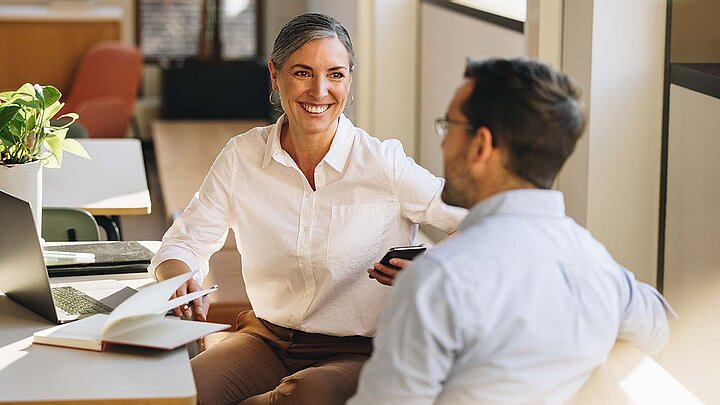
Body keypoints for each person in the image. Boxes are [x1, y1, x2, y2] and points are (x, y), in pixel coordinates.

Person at [148, 13, 466, 405]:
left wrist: (435, 263)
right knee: (178, 393)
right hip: (268, 340)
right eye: (302, 73)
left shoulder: (383, 163)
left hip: (360, 351)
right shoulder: (242, 157)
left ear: (349, 82)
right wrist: (179, 281)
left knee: (303, 397)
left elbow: (478, 223)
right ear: (274, 76)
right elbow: (182, 243)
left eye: (335, 74)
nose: (319, 91)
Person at [348, 58, 676, 405]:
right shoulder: (598, 267)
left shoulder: (438, 281)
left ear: (480, 146)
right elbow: (662, 326)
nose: (443, 145)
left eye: (449, 127)